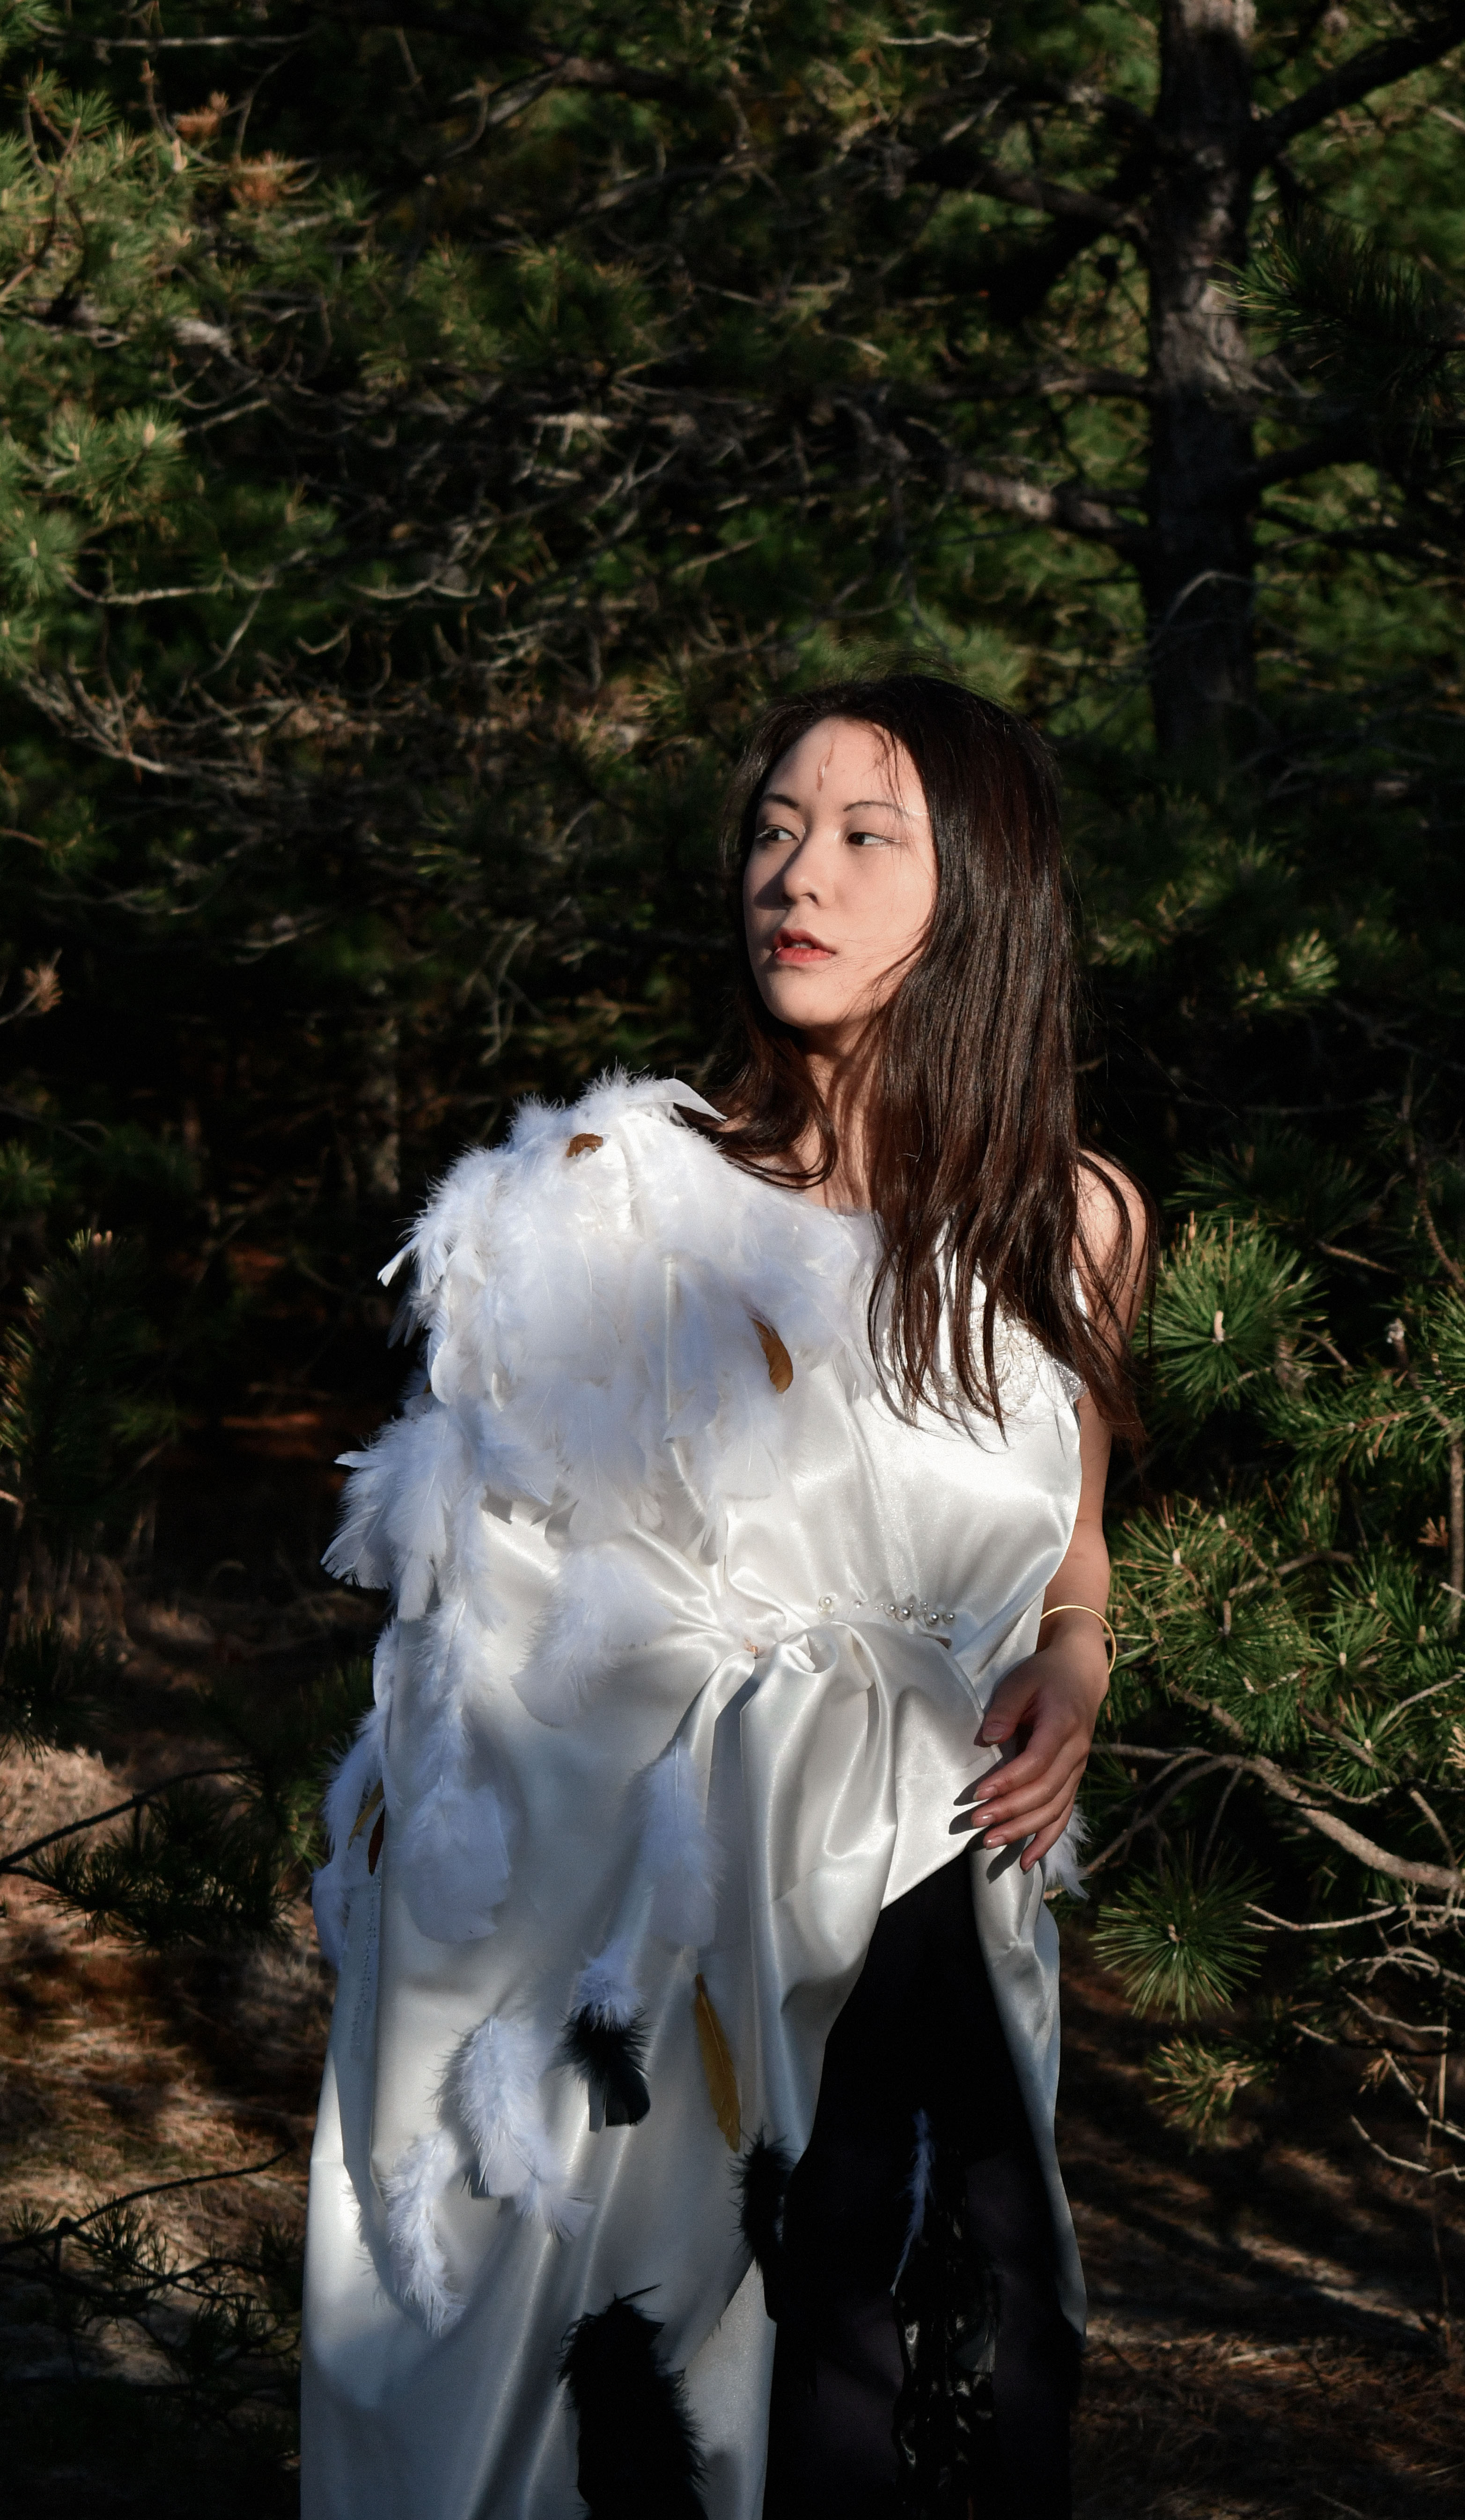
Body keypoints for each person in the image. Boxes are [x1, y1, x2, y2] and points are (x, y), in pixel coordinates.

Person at [301, 672, 1151, 2520]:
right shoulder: (629, 1192)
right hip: (687, 1914)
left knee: (963, 2365)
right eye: (774, 828)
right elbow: (491, 1607)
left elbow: (1067, 1543)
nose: (798, 874)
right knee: (737, 2388)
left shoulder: (1076, 1219)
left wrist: (1077, 1660)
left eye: (864, 837)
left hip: (946, 1878)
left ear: (984, 886)